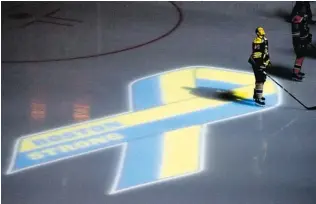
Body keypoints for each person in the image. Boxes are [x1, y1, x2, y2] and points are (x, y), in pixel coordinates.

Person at [248, 27, 271, 106]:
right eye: (260, 31)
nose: (262, 32)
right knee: (259, 79)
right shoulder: (257, 41)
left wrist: (267, 61)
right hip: (258, 63)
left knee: (263, 78)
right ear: (258, 33)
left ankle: (257, 94)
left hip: (264, 62)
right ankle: (258, 97)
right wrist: (259, 65)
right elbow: (257, 55)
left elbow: (266, 51)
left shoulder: (265, 40)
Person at [291, 4, 312, 81]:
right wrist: (300, 41)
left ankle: (297, 71)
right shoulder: (296, 19)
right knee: (300, 56)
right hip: (299, 41)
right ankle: (295, 74)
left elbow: (305, 27)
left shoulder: (304, 16)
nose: (304, 10)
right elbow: (296, 33)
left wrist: (308, 36)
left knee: (302, 56)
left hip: (304, 39)